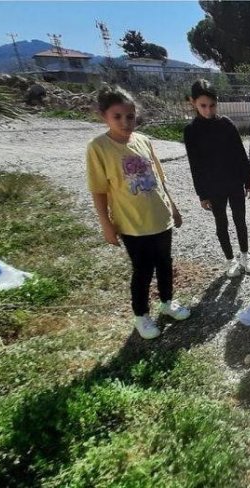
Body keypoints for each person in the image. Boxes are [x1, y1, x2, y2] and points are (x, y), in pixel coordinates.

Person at [86, 86, 191, 340]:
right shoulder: (98, 148)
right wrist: (106, 223)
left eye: (130, 116)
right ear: (104, 116)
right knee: (142, 270)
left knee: (165, 264)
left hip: (159, 218)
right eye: (117, 116)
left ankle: (167, 302)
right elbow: (98, 190)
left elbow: (159, 180)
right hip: (132, 224)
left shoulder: (144, 141)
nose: (125, 122)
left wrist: (173, 208)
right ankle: (141, 315)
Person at [183, 79, 250, 278]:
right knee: (221, 222)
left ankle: (245, 255)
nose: (208, 110)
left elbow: (241, 155)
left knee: (240, 219)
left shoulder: (226, 124)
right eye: (203, 106)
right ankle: (230, 259)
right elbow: (195, 165)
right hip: (213, 187)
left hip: (234, 183)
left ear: (217, 103)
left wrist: (248, 181)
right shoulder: (191, 131)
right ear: (193, 103)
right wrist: (202, 194)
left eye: (212, 105)